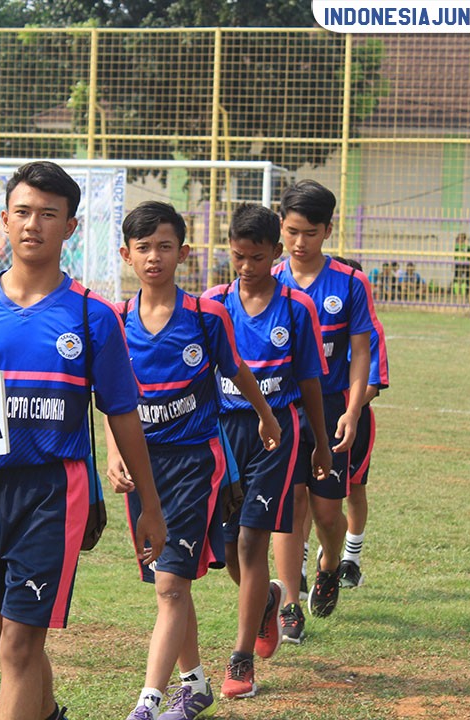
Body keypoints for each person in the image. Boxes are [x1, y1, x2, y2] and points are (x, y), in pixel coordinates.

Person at [0, 161, 167, 720]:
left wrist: (148, 505)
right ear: (5, 220)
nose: (33, 224)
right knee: (0, 630)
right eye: (23, 212)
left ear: (71, 227)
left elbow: (124, 414)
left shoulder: (92, 315)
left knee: (19, 644)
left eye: (48, 215)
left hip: (55, 490)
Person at [109, 201, 282, 720]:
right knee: (169, 584)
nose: (154, 257)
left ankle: (148, 702)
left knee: (171, 584)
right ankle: (197, 684)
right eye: (143, 248)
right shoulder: (114, 321)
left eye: (165, 246)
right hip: (143, 469)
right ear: (126, 255)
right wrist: (115, 453)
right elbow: (113, 401)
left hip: (193, 465)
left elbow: (238, 371)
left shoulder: (207, 316)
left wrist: (267, 417)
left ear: (183, 253)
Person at [202, 202, 331, 699]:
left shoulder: (297, 308)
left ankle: (240, 660)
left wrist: (320, 444)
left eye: (257, 257)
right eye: (238, 257)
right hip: (224, 436)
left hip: (277, 434)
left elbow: (311, 382)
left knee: (253, 542)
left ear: (275, 253)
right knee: (231, 547)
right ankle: (266, 602)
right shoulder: (212, 305)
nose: (247, 267)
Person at [272, 180, 372, 635]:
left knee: (329, 513)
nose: (299, 242)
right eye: (292, 231)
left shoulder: (350, 283)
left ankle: (330, 563)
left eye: (309, 232)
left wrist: (352, 411)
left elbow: (360, 352)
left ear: (327, 230)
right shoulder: (269, 281)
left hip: (331, 407)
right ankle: (290, 603)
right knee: (290, 505)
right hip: (285, 407)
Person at [331, 257, 389, 590]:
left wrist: (349, 408)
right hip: (313, 413)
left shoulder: (370, 329)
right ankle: (304, 566)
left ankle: (350, 561)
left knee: (353, 488)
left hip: (356, 418)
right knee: (308, 495)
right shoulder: (310, 316)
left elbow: (374, 382)